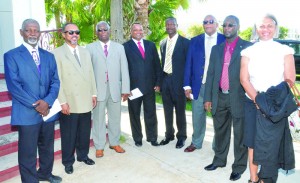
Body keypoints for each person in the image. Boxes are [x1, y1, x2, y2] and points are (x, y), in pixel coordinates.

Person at [4, 18, 62, 183]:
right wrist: (38, 105)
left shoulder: (49, 56)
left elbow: (55, 81)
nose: (32, 33)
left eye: (36, 30)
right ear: (21, 32)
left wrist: (48, 102)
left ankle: (45, 173)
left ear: (39, 33)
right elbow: (14, 87)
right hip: (26, 111)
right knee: (28, 151)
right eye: (28, 30)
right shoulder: (11, 56)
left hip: (48, 111)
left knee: (47, 147)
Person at [240, 14, 296, 183]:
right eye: (261, 26)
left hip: (275, 105)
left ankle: (267, 179)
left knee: (272, 145)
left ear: (275, 28)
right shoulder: (247, 51)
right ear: (256, 29)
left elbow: (289, 79)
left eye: (269, 26)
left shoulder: (285, 50)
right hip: (252, 102)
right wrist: (258, 99)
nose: (265, 29)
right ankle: (253, 178)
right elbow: (244, 79)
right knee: (252, 143)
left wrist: (267, 102)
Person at [203, 15, 252, 181]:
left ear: (238, 26)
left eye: (231, 25)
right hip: (219, 96)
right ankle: (219, 161)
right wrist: (208, 98)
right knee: (220, 132)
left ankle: (238, 167)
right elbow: (210, 75)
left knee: (239, 135)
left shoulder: (247, 47)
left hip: (239, 98)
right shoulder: (217, 49)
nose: (227, 28)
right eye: (225, 25)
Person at [52, 23, 97, 174]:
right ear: (63, 34)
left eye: (76, 32)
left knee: (84, 131)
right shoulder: (57, 53)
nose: (74, 35)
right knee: (69, 134)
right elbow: (57, 80)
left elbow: (91, 74)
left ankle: (83, 155)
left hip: (85, 98)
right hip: (69, 101)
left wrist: (94, 94)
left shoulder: (85, 52)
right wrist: (62, 101)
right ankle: (68, 161)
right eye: (70, 32)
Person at [86, 21, 130, 158]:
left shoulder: (119, 48)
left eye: (105, 29)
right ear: (96, 32)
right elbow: (88, 71)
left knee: (115, 118)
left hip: (115, 89)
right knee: (98, 119)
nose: (103, 31)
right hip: (98, 90)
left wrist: (126, 89)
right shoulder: (90, 48)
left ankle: (114, 142)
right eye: (100, 30)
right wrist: (90, 91)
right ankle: (99, 146)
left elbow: (124, 69)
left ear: (110, 31)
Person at [183, 15, 225, 152]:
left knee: (218, 117)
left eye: (211, 21)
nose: (208, 24)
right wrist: (187, 85)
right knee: (197, 115)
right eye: (205, 22)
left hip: (217, 87)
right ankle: (196, 142)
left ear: (217, 24)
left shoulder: (224, 39)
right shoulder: (195, 41)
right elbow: (188, 63)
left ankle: (217, 146)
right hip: (198, 85)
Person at [123, 23, 162, 147]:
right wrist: (126, 88)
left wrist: (158, 82)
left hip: (150, 87)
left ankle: (152, 137)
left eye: (140, 29)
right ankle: (137, 138)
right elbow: (123, 70)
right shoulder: (125, 47)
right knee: (134, 114)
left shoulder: (150, 45)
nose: (138, 32)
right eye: (135, 30)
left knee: (150, 113)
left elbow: (157, 65)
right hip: (133, 88)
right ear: (131, 32)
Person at [159, 17, 190, 149]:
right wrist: (160, 82)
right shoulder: (162, 43)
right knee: (167, 110)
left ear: (177, 25)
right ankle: (169, 135)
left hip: (179, 82)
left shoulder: (185, 43)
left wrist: (187, 85)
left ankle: (181, 136)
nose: (169, 26)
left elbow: (189, 65)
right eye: (167, 24)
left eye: (172, 24)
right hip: (165, 80)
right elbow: (162, 63)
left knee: (180, 111)